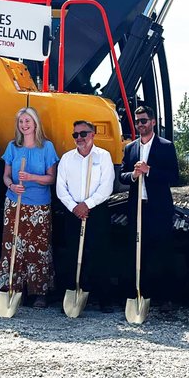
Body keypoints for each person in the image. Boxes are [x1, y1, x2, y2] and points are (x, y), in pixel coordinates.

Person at [0, 107, 59, 307]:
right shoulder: (13, 147)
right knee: (13, 245)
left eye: (27, 121)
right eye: (21, 122)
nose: (24, 125)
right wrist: (12, 185)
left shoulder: (47, 147)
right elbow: (5, 176)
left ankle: (39, 291)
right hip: (14, 203)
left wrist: (31, 177)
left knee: (38, 248)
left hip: (38, 205)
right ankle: (13, 287)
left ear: (35, 123)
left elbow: (51, 178)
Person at [119, 105, 178, 312]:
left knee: (161, 252)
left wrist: (149, 170)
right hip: (137, 207)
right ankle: (139, 293)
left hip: (158, 208)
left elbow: (174, 177)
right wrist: (134, 175)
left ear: (153, 122)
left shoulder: (166, 146)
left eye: (144, 121)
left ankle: (165, 297)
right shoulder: (130, 148)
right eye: (137, 122)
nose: (140, 125)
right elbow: (122, 175)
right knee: (137, 251)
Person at [56, 120, 117, 312]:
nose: (79, 138)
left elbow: (107, 186)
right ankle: (73, 292)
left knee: (100, 254)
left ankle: (104, 299)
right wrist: (75, 207)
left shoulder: (103, 156)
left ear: (92, 135)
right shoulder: (67, 158)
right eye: (75, 135)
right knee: (72, 253)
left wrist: (87, 205)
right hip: (73, 211)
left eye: (83, 134)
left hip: (96, 209)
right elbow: (60, 187)